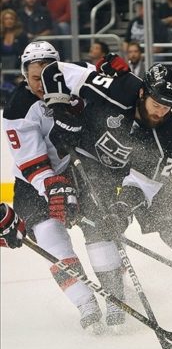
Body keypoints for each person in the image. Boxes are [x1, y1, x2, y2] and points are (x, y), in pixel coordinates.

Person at [40, 59, 172, 314]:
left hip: (141, 178)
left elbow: (143, 184)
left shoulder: (170, 138)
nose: (161, 112)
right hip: (92, 166)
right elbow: (54, 70)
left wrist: (122, 209)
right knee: (98, 230)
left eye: (168, 106)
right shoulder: (117, 89)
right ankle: (116, 305)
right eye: (157, 104)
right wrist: (60, 109)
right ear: (142, 92)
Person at [1, 41, 107, 331]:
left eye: (46, 76)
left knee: (102, 228)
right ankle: (85, 303)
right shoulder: (17, 109)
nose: (40, 84)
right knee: (49, 236)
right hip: (34, 182)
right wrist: (53, 187)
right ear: (24, 75)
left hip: (80, 170)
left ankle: (115, 296)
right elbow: (31, 162)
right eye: (34, 78)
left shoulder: (75, 81)